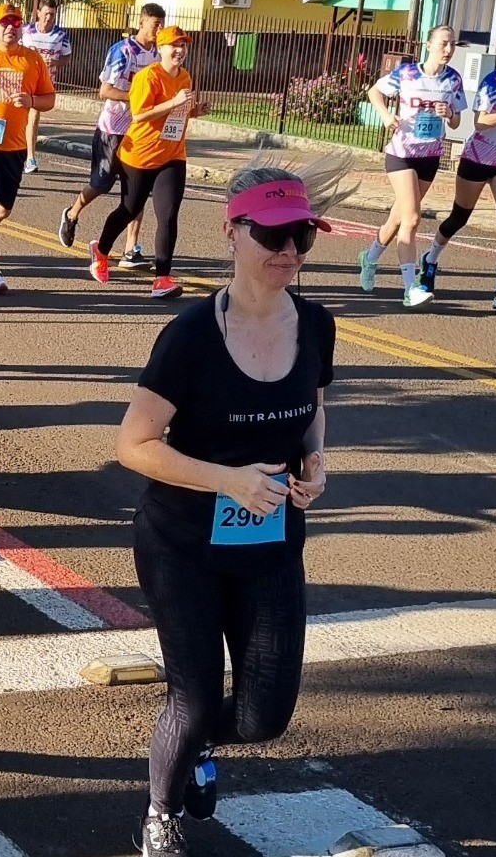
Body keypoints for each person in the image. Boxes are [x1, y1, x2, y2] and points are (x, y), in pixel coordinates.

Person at [114, 157, 344, 857]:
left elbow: (313, 406)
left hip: (271, 541)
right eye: (273, 235)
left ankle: (195, 745)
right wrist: (227, 480)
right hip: (180, 542)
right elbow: (132, 444)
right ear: (233, 233)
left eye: (301, 237)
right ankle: (161, 809)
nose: (288, 252)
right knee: (192, 697)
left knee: (265, 716)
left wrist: (316, 462)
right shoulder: (190, 335)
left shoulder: (317, 324)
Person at [418, 28, 496, 310]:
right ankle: (431, 258)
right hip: (478, 159)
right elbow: (481, 122)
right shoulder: (492, 82)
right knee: (458, 218)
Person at [89, 26, 210, 299]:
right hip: (140, 156)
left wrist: (194, 111)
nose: (179, 50)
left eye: (183, 45)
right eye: (173, 45)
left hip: (172, 155)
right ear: (161, 49)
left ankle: (162, 279)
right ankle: (101, 250)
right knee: (129, 209)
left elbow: (177, 113)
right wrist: (175, 102)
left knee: (167, 215)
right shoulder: (148, 77)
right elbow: (141, 115)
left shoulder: (185, 77)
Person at [360, 25, 465, 308]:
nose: (448, 50)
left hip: (430, 157)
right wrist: (384, 115)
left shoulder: (453, 80)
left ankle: (369, 259)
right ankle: (411, 288)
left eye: (452, 44)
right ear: (428, 44)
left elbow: (456, 122)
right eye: (443, 43)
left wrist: (450, 113)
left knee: (398, 218)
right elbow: (374, 92)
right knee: (413, 219)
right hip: (401, 154)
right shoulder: (407, 73)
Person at [58, 5, 164, 265]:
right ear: (141, 23)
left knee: (137, 190)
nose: (159, 29)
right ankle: (72, 213)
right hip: (112, 128)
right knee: (101, 183)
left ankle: (131, 248)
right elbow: (104, 91)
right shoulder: (123, 51)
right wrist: (137, 98)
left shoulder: (161, 55)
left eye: (162, 24)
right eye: (155, 24)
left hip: (141, 131)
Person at [0, 2, 56, 294]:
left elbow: (49, 99)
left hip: (14, 148)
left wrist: (30, 102)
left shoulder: (32, 60)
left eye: (15, 23)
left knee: (3, 210)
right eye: (4, 23)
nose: (10, 28)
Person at [21, 0, 72, 174]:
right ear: (38, 13)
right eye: (46, 14)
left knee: (33, 118)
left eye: (52, 15)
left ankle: (30, 158)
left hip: (44, 84)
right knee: (16, 118)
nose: (49, 18)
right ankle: (11, 151)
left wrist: (55, 61)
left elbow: (67, 57)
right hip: (23, 81)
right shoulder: (26, 31)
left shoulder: (61, 35)